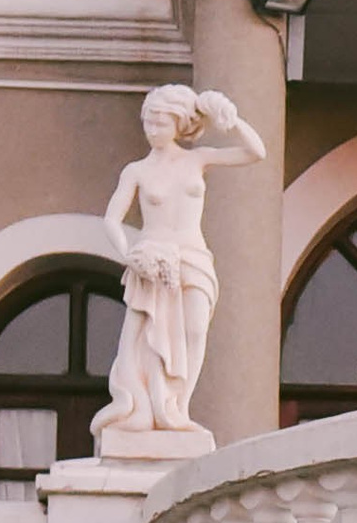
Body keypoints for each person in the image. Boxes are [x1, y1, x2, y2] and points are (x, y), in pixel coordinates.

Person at [91, 84, 267, 446]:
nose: (153, 130)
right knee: (149, 340)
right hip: (153, 261)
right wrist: (130, 255)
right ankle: (154, 409)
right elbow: (111, 219)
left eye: (161, 122)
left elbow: (255, 152)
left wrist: (229, 119)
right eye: (149, 122)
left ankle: (178, 409)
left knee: (195, 331)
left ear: (179, 124)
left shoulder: (197, 159)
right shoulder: (136, 171)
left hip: (194, 256)